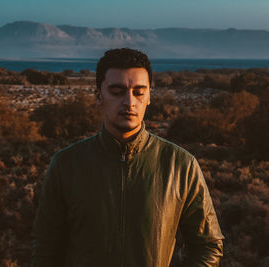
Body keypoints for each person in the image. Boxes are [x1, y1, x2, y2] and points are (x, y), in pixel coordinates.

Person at [31, 48, 224, 267]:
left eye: (139, 92)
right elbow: (45, 249)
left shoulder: (181, 165)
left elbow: (208, 246)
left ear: (149, 96)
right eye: (117, 91)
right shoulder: (66, 164)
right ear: (98, 95)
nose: (129, 102)